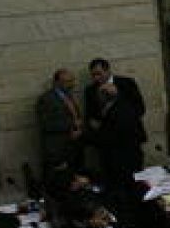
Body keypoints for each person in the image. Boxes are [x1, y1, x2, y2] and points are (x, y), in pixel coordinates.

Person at [84, 57, 148, 191]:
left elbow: (139, 109)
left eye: (99, 73)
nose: (96, 78)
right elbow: (91, 115)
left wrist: (118, 103)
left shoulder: (126, 83)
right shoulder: (90, 90)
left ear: (107, 71)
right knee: (113, 180)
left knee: (133, 178)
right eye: (93, 75)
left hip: (129, 139)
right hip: (107, 143)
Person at [36, 67, 84, 171]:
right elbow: (46, 124)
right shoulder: (46, 99)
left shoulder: (69, 96)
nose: (72, 84)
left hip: (74, 145)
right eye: (68, 82)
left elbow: (76, 116)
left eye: (73, 81)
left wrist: (78, 129)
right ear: (57, 83)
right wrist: (72, 124)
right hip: (58, 149)